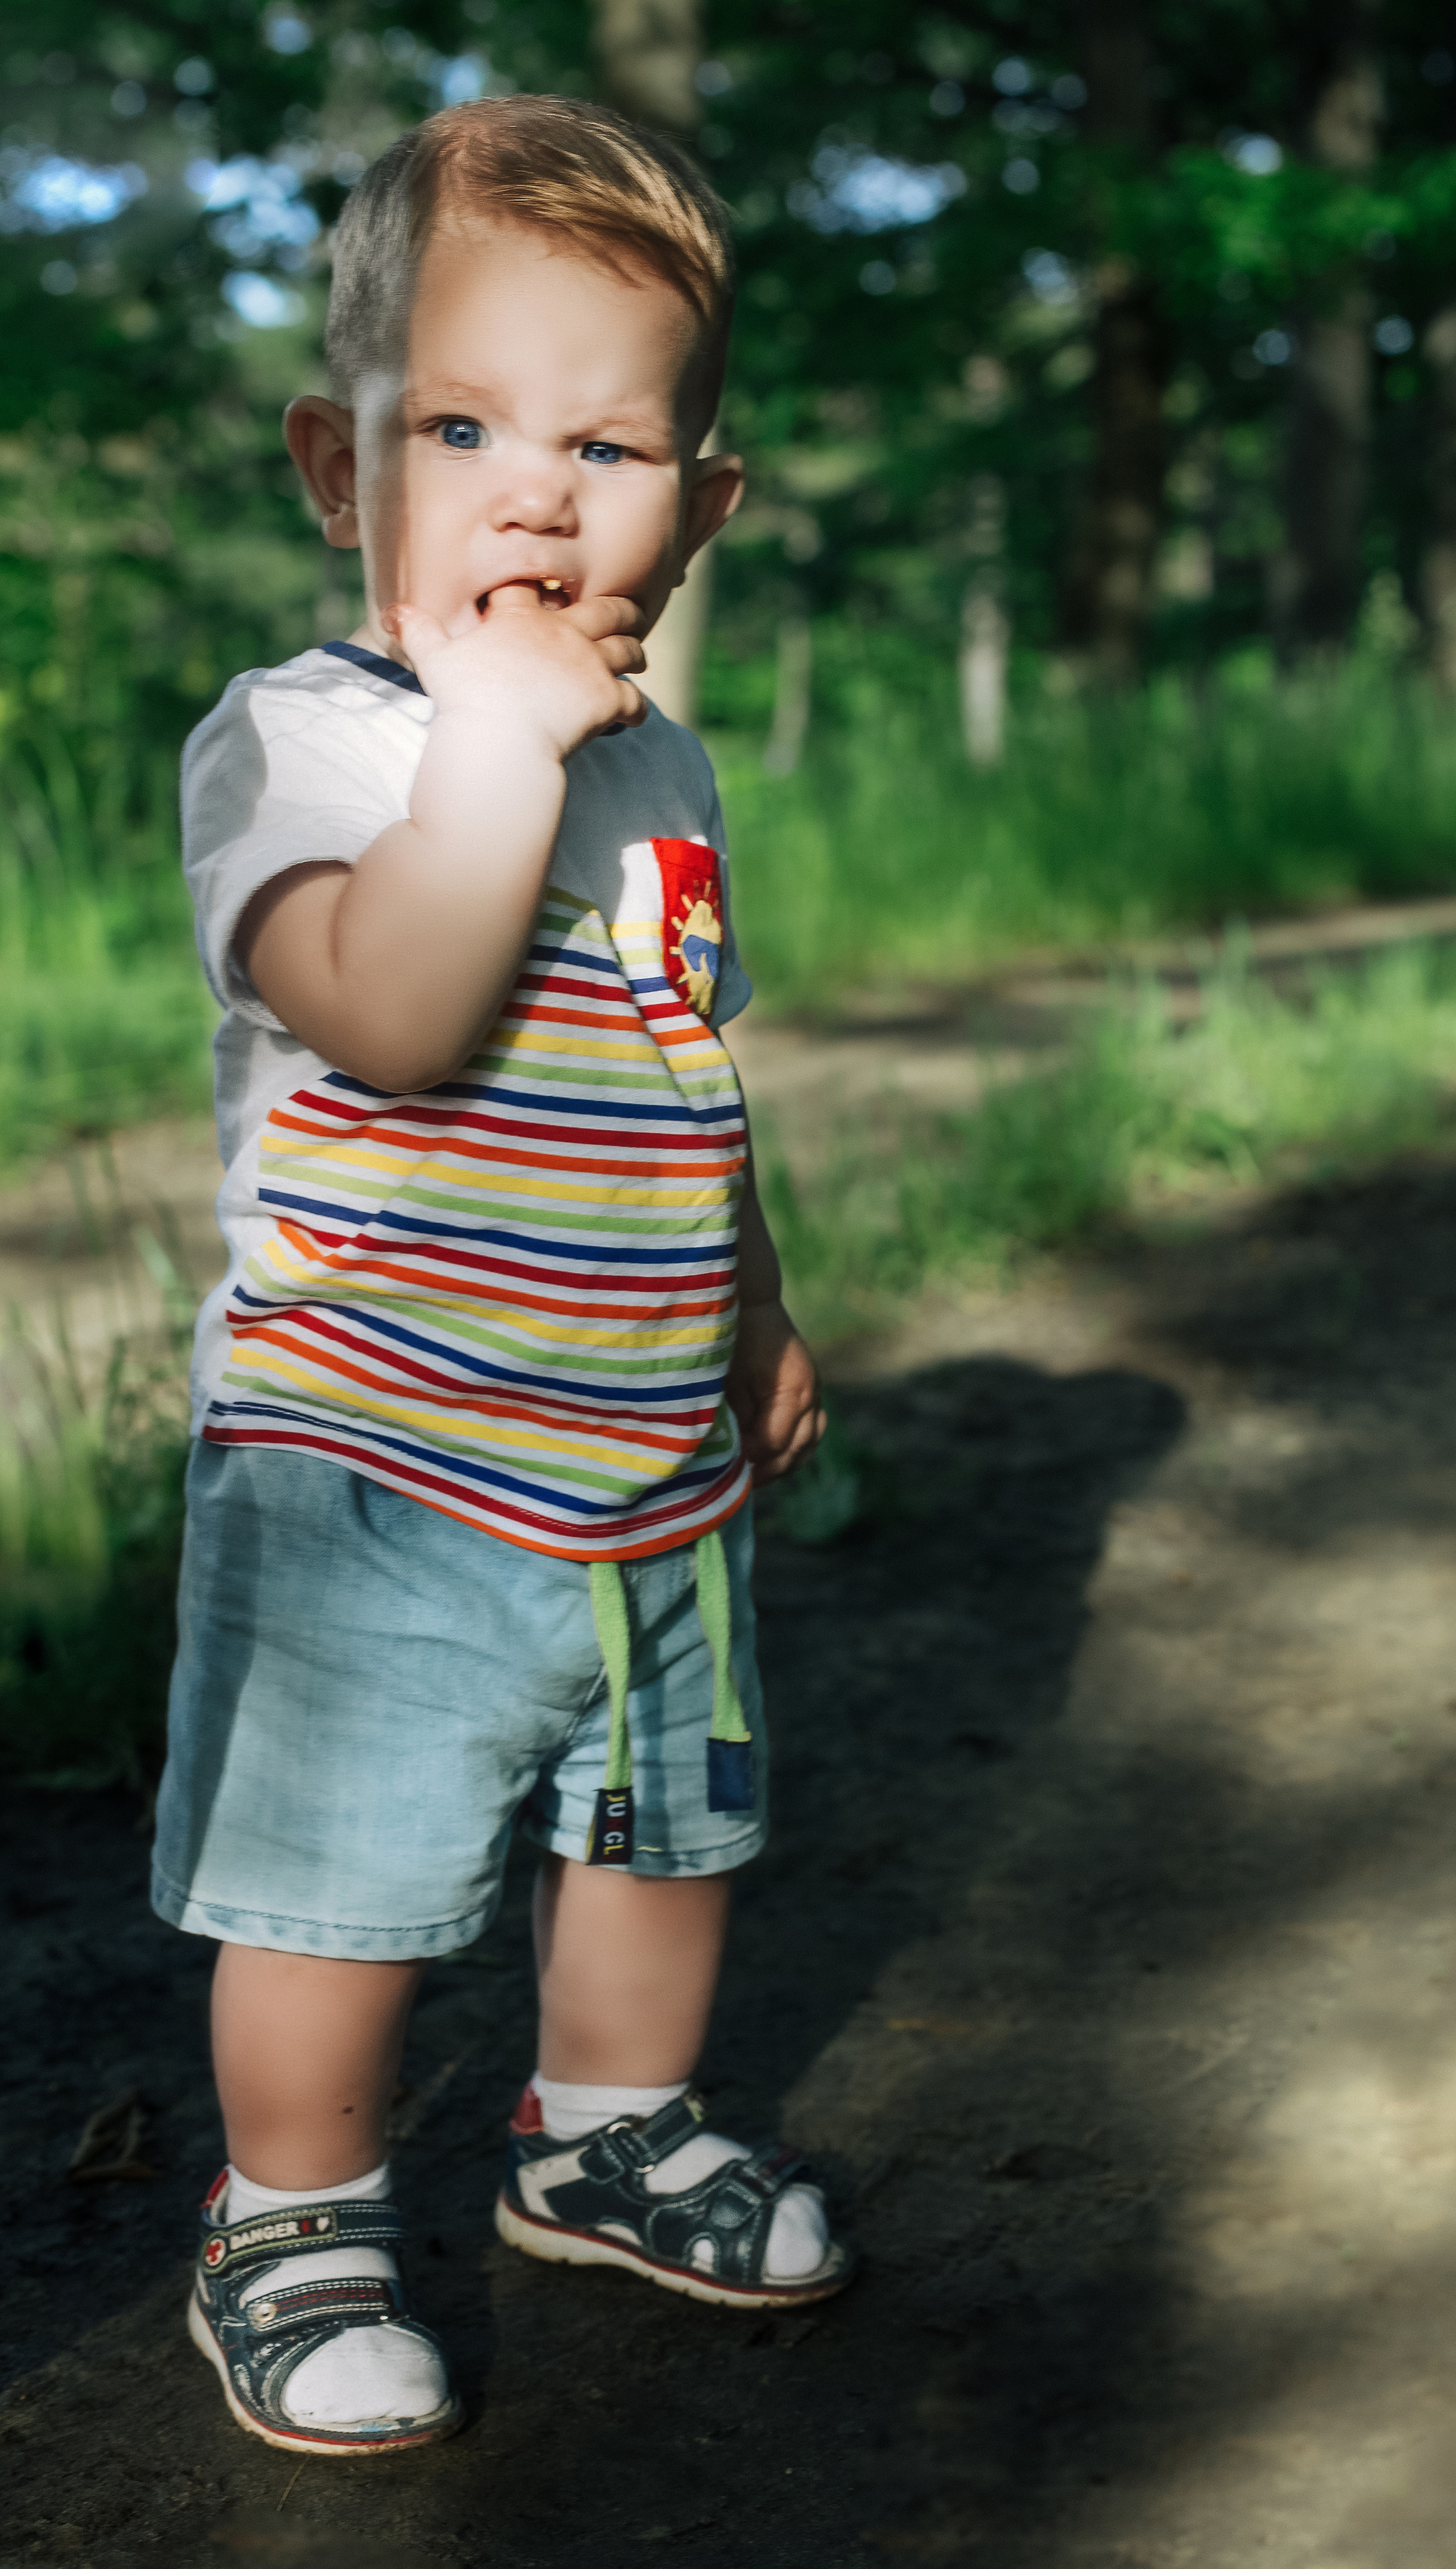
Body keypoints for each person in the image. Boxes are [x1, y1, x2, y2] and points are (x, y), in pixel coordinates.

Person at [150, 92, 853, 2461]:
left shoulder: (665, 775)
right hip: (373, 1455)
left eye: (607, 447)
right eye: (460, 428)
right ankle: (290, 2213)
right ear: (337, 471)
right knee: (336, 1883)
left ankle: (607, 2134)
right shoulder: (304, 747)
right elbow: (392, 1010)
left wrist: (752, 1307)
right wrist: (496, 749)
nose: (536, 497)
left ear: (700, 509)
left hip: (642, 1448)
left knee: (660, 1835)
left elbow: (679, 1066)